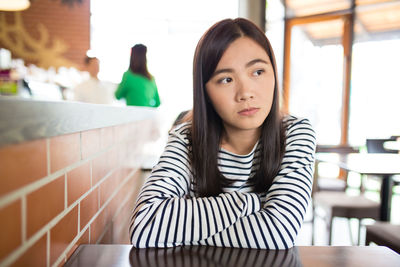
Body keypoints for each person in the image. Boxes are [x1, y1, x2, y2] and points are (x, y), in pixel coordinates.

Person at [129, 18, 316, 249]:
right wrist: (249, 203)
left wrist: (183, 230)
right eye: (226, 79)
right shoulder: (186, 138)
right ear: (205, 91)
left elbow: (278, 233)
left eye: (258, 72)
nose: (245, 92)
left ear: (274, 75)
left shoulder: (295, 134)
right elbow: (145, 225)